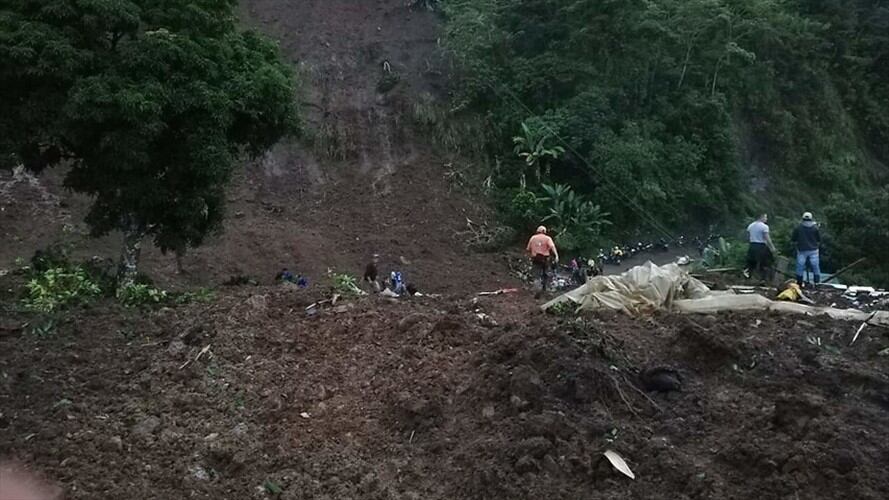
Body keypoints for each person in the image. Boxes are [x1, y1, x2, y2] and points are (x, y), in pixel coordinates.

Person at [526, 225, 559, 297]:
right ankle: (545, 288)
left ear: (538, 231)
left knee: (536, 275)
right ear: (545, 231)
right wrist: (556, 255)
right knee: (546, 273)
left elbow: (528, 249)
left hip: (536, 259)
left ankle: (537, 289)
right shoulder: (548, 238)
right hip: (545, 258)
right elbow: (552, 246)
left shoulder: (533, 238)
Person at [791, 211, 821, 286]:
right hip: (813, 250)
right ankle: (817, 282)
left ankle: (799, 282)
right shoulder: (815, 228)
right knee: (815, 266)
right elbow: (818, 239)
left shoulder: (798, 228)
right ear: (811, 219)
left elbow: (793, 239)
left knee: (800, 266)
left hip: (802, 250)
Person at [744, 213, 776, 281]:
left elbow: (748, 236)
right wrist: (772, 247)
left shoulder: (751, 225)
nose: (766, 219)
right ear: (761, 217)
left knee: (751, 263)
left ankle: (748, 278)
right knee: (765, 263)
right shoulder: (764, 227)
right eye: (765, 217)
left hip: (752, 245)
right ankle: (763, 279)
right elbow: (767, 238)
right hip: (761, 245)